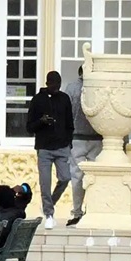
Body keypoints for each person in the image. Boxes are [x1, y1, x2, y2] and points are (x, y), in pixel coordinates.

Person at [26, 71, 74, 230]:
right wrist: (41, 121)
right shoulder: (38, 100)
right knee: (45, 183)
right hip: (44, 147)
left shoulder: (64, 99)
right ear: (47, 83)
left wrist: (69, 142)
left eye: (58, 84)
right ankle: (49, 214)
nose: (56, 87)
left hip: (62, 146)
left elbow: (69, 123)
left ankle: (51, 202)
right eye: (53, 84)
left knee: (66, 178)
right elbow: (29, 127)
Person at [65, 66, 103, 227]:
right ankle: (93, 209)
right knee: (97, 176)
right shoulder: (99, 87)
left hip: (76, 138)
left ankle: (77, 211)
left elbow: (66, 114)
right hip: (97, 138)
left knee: (77, 177)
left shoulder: (72, 88)